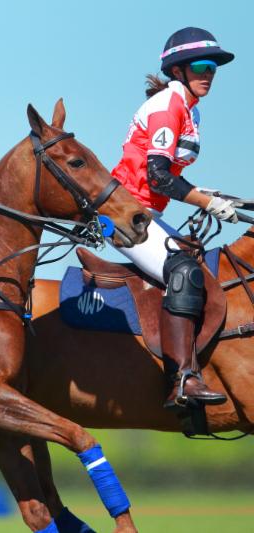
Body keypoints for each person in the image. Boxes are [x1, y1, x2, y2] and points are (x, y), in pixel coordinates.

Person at [110, 27, 236, 409]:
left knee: (194, 259)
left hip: (143, 213)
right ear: (178, 70)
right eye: (201, 66)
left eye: (213, 67)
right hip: (122, 214)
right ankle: (182, 380)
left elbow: (166, 175)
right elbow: (158, 177)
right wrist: (205, 202)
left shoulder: (188, 106)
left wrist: (205, 193)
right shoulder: (170, 105)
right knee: (185, 271)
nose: (208, 74)